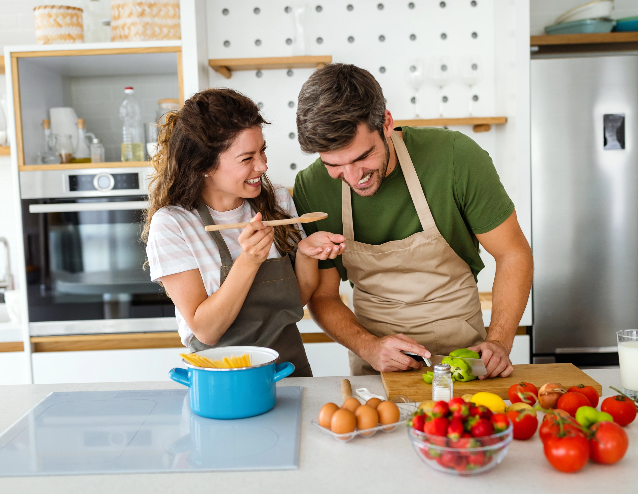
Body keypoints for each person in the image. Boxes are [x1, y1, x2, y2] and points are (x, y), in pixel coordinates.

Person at [293, 64, 533, 377]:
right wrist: (369, 348)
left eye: (362, 157)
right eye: (334, 165)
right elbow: (323, 296)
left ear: (386, 124)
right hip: (378, 368)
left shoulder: (455, 158)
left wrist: (499, 342)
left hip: (467, 359)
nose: (353, 177)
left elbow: (513, 253)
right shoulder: (312, 188)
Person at [143, 88, 346, 377]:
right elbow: (207, 330)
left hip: (289, 368)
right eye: (246, 158)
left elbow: (296, 298)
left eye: (262, 150)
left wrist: (305, 254)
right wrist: (248, 262)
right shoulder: (174, 224)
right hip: (224, 379)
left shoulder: (277, 201)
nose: (262, 166)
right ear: (204, 164)